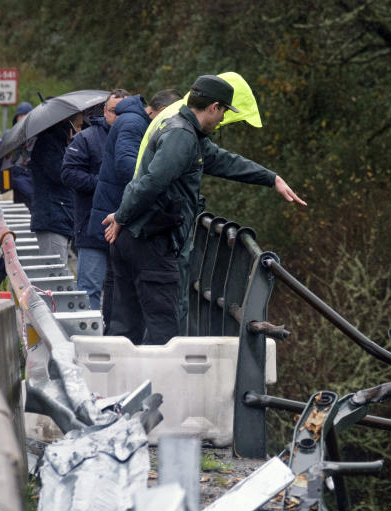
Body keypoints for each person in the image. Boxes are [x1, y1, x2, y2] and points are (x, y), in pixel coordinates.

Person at [102, 74, 306, 345]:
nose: (223, 119)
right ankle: (162, 387)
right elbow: (152, 182)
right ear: (214, 108)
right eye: (223, 112)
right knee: (164, 331)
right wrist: (122, 216)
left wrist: (271, 178)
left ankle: (116, 384)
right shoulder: (182, 137)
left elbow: (225, 162)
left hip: (137, 236)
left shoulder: (188, 134)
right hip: (151, 242)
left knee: (126, 326)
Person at [89, 89, 181, 329]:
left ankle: (115, 333)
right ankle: (114, 333)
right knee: (117, 285)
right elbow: (125, 163)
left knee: (117, 284)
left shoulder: (133, 121)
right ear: (161, 111)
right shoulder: (133, 123)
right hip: (119, 210)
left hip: (119, 209)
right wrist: (154, 184)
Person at [61, 89, 128, 309]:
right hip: (92, 226)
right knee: (89, 288)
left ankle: (115, 338)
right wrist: (102, 183)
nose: (117, 116)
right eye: (113, 111)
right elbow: (68, 173)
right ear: (104, 112)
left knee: (122, 289)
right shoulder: (86, 138)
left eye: (124, 111)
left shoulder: (139, 138)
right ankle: (90, 341)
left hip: (127, 228)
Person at [31, 112, 82, 265]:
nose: (80, 131)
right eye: (78, 126)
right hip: (52, 217)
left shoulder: (59, 143)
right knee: (54, 274)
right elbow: (62, 175)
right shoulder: (49, 144)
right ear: (68, 125)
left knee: (59, 270)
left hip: (60, 215)